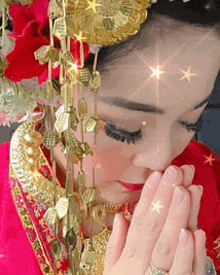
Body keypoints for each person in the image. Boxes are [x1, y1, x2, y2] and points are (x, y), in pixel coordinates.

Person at [0, 0, 220, 274]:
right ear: (50, 94)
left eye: (189, 122)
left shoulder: (206, 178)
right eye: (123, 129)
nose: (162, 159)